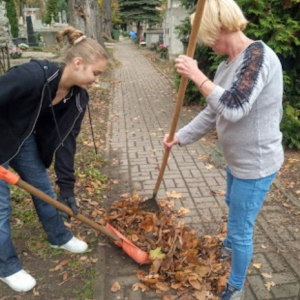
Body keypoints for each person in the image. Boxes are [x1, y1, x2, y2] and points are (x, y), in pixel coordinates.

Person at [163, 1, 284, 299]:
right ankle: (229, 244)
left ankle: (236, 286)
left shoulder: (258, 57)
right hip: (237, 161)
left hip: (256, 165)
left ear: (220, 28)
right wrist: (179, 136)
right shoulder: (226, 65)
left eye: (207, 37)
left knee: (242, 227)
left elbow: (234, 107)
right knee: (232, 203)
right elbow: (213, 112)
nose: (207, 44)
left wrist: (197, 76)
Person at [0, 26, 108, 292]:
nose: (96, 80)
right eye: (96, 73)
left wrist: (68, 188)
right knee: (1, 208)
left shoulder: (77, 98)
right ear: (78, 63)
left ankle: (58, 236)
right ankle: (7, 266)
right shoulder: (32, 76)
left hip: (21, 138)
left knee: (42, 188)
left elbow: (67, 143)